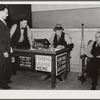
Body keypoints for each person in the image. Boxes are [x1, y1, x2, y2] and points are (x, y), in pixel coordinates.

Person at [0, 5, 12, 89]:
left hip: (6, 48)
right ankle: (2, 84)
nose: (7, 15)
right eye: (6, 13)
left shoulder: (3, 22)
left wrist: (9, 47)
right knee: (2, 67)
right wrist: (4, 51)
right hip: (2, 50)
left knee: (6, 66)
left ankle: (5, 80)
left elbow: (6, 37)